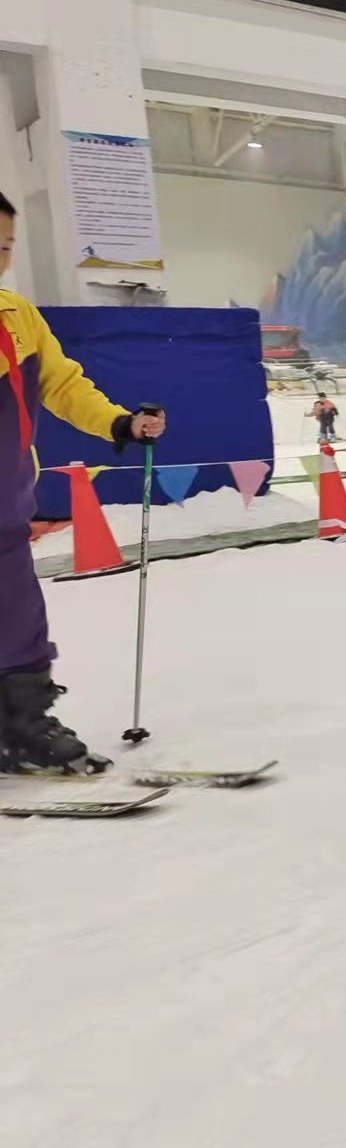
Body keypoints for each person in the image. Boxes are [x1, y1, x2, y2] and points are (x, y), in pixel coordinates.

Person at [0, 192, 168, 772]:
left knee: (20, 625)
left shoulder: (17, 316)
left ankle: (22, 728)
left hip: (6, 505)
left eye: (5, 247)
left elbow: (65, 386)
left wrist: (120, 422)